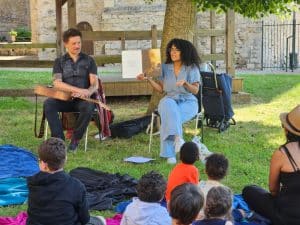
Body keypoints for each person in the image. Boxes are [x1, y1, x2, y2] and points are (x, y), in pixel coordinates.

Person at [137, 38, 201, 164]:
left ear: (185, 52)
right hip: (170, 99)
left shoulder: (192, 68)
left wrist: (186, 83)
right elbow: (161, 89)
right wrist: (148, 79)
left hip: (188, 102)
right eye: (171, 50)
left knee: (168, 117)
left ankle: (169, 154)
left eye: (177, 50)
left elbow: (195, 91)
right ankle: (178, 139)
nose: (173, 52)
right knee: (167, 104)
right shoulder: (165, 68)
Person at [26, 137, 105, 225]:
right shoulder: (76, 186)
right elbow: (85, 219)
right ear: (65, 159)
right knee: (99, 220)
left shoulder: (32, 183)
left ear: (44, 164)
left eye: (39, 160)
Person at [243, 105, 300, 225]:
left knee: (249, 190)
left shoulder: (282, 153)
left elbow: (273, 190)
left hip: (285, 216)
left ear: (287, 130)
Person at [44, 28, 98, 151]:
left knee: (88, 107)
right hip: (65, 99)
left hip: (82, 100)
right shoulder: (59, 61)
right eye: (74, 43)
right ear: (66, 44)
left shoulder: (89, 60)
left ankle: (75, 140)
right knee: (49, 104)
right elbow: (57, 83)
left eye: (79, 42)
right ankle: (59, 140)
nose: (77, 46)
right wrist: (78, 89)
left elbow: (94, 84)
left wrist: (88, 92)